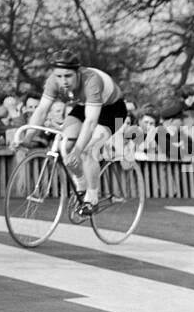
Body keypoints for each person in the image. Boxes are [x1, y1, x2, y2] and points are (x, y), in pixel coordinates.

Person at [23, 49, 128, 215]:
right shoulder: (53, 80)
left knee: (88, 151)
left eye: (68, 76)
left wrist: (78, 151)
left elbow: (91, 121)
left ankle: (92, 199)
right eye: (59, 76)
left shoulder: (91, 81)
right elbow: (41, 110)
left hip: (112, 111)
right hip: (84, 106)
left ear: (78, 73)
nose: (63, 81)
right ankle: (80, 185)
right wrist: (27, 137)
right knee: (66, 143)